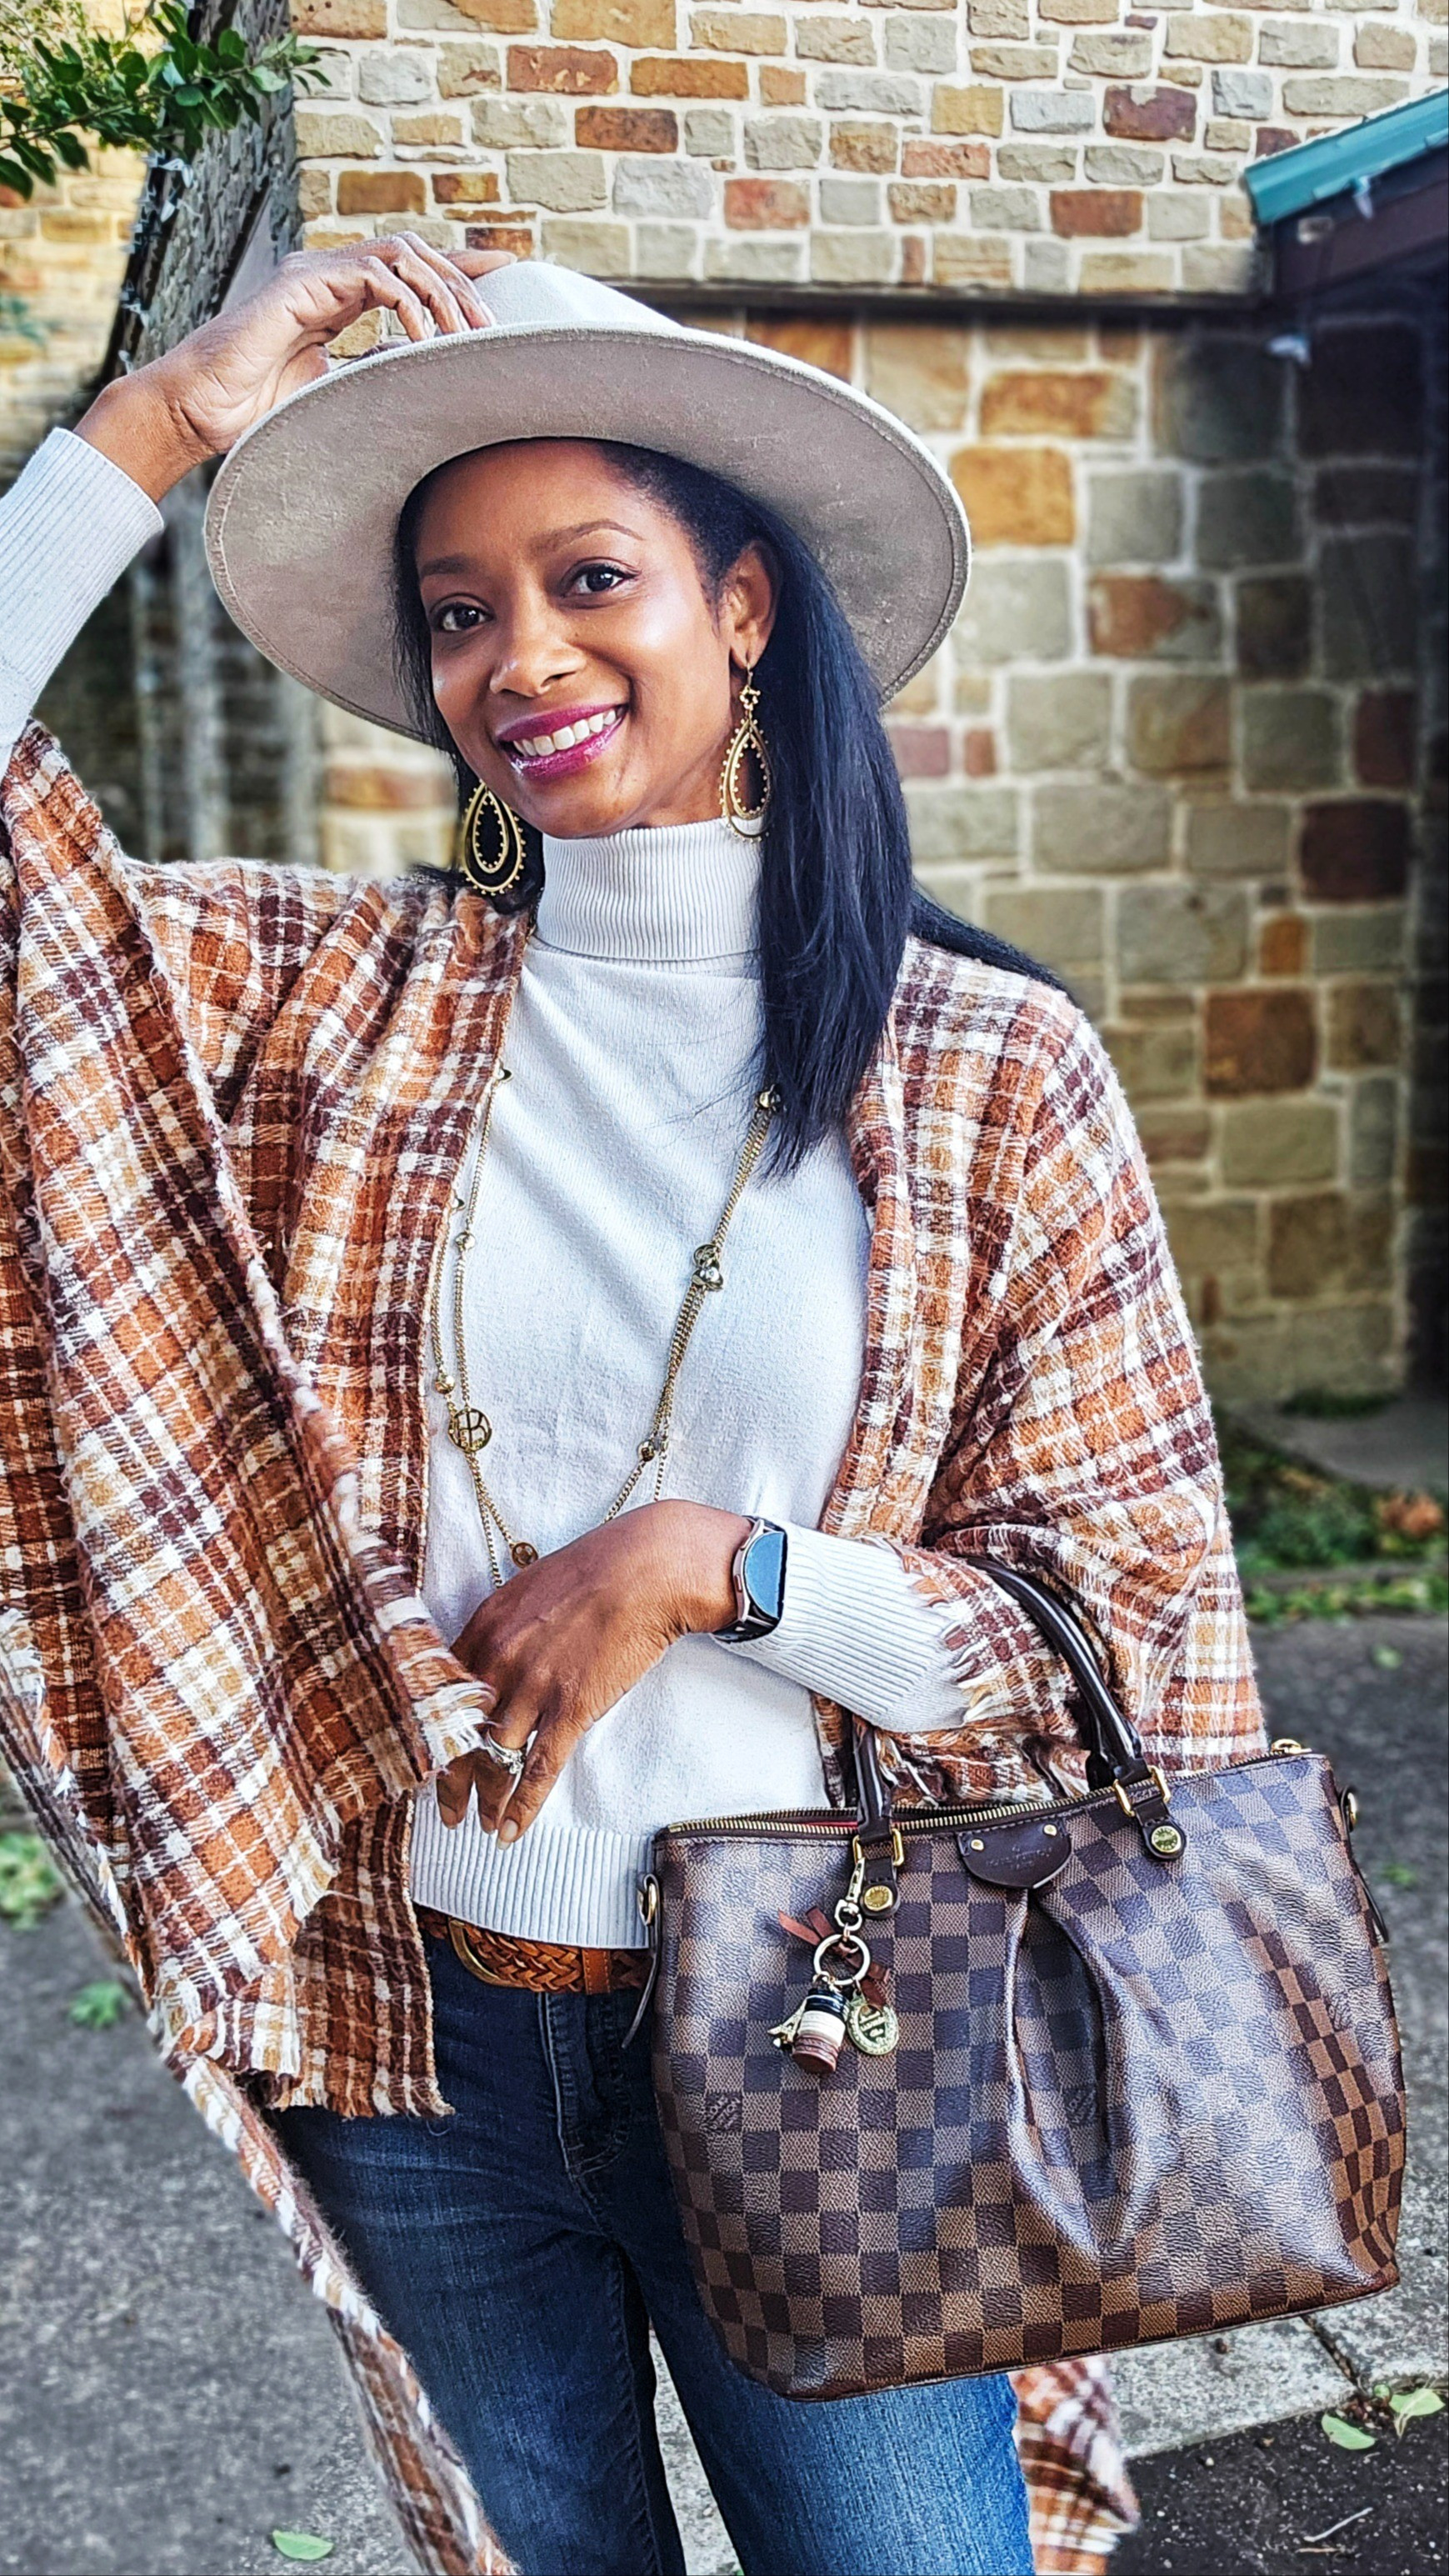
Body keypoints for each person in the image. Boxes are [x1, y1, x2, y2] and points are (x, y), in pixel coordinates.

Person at [0, 243, 1262, 2576]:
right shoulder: (329, 1010)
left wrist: (728, 1568)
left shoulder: (985, 1075)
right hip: (420, 2039)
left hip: (834, 2023)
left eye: (590, 579)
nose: (523, 660)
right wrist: (155, 425)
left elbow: (1125, 1623)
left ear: (747, 603)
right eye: (461, 612)